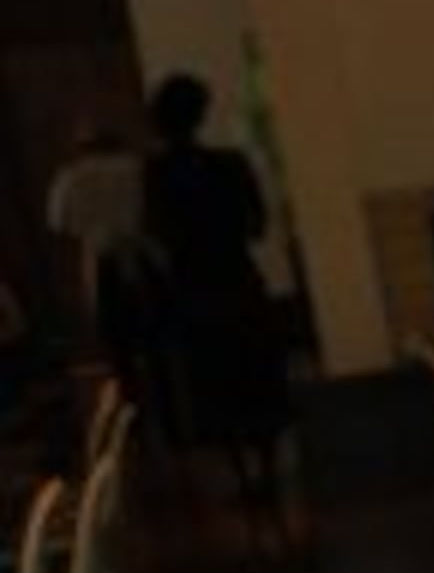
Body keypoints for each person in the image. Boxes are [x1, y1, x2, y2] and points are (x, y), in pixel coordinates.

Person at [139, 71, 291, 505]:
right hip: (237, 278)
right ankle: (267, 466)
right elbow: (257, 224)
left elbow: (157, 232)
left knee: (216, 384)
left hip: (193, 289)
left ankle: (240, 470)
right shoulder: (230, 163)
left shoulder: (158, 172)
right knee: (257, 375)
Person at [44, 107, 161, 407]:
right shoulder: (136, 168)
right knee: (156, 336)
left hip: (100, 261)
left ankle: (133, 404)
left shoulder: (70, 178)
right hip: (142, 258)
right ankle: (167, 403)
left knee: (117, 343)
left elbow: (58, 222)